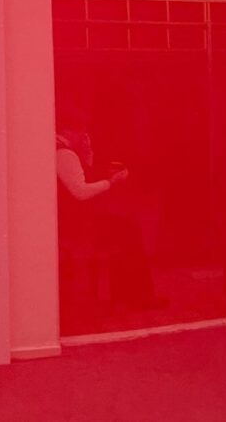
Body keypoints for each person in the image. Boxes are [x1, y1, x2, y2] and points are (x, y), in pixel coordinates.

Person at [56, 121, 164, 332]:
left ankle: (126, 294)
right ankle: (139, 296)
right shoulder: (64, 154)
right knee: (128, 231)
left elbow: (83, 176)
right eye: (82, 132)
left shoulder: (63, 150)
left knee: (124, 228)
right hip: (77, 226)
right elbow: (81, 192)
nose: (84, 136)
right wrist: (111, 182)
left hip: (74, 221)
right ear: (70, 131)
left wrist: (88, 153)